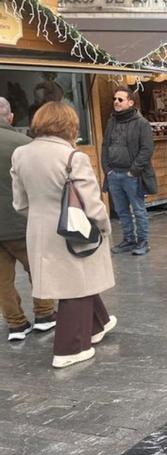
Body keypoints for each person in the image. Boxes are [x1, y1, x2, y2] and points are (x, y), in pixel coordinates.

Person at [11, 102, 116, 368]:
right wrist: (104, 226)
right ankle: (70, 348)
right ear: (69, 125)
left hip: (39, 229)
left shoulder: (21, 154)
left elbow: (20, 203)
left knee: (75, 280)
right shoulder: (73, 157)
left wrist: (41, 218)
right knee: (75, 286)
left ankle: (98, 324)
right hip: (74, 230)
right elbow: (92, 204)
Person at [0, 97, 56, 341]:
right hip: (21, 221)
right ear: (10, 117)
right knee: (38, 268)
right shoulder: (24, 145)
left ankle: (15, 324)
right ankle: (44, 314)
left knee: (2, 280)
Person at [101, 87, 156, 256]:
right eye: (115, 99)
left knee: (138, 210)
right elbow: (105, 146)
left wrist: (133, 171)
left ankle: (143, 242)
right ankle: (128, 240)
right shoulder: (112, 121)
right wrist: (107, 169)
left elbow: (147, 149)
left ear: (130, 103)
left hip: (132, 176)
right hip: (114, 174)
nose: (116, 102)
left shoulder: (141, 123)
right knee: (121, 210)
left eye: (120, 99)